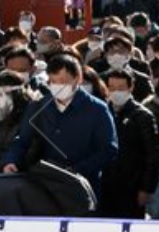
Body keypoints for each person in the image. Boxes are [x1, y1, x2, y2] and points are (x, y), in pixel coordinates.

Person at [1, 54, 118, 196]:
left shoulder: (97, 109)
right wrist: (11, 161)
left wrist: (75, 171)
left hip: (83, 188)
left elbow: (108, 150)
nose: (58, 86)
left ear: (78, 79)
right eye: (53, 81)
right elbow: (22, 140)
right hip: (43, 186)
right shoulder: (38, 107)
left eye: (63, 81)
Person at [99, 69, 159, 218]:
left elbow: (152, 156)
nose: (116, 92)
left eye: (121, 88)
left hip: (132, 186)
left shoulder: (142, 115)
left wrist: (147, 189)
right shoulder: (101, 112)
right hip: (105, 184)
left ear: (131, 87)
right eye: (112, 88)